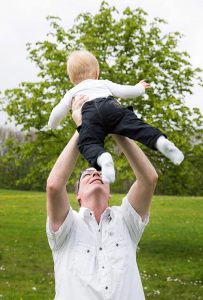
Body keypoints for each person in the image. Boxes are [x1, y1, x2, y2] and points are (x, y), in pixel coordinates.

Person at [46, 96, 158, 300]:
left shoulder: (126, 221)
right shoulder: (67, 227)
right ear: (77, 194)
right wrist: (84, 126)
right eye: (87, 175)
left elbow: (148, 179)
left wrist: (115, 125)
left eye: (100, 174)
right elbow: (54, 185)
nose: (96, 174)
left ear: (110, 191)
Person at [48, 50, 184, 183]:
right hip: (111, 106)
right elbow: (125, 91)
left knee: (89, 143)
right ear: (96, 73)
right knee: (137, 126)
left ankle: (102, 158)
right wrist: (140, 88)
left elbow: (56, 113)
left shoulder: (71, 92)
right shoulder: (103, 83)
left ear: (72, 79)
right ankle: (160, 141)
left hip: (90, 115)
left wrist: (52, 125)